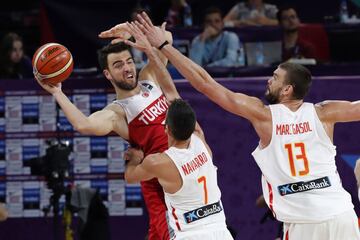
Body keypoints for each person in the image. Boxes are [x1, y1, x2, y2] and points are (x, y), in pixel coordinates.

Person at [134, 12, 360, 240]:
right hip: (341, 216)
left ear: (287, 90)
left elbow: (205, 84)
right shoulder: (325, 113)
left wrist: (164, 46)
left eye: (275, 77)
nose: (269, 80)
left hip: (304, 225)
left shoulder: (264, 115)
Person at [35, 21, 175, 240]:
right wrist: (57, 93)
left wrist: (132, 33)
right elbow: (84, 124)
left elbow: (166, 37)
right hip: (160, 187)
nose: (127, 68)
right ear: (108, 74)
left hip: (185, 170)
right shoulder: (117, 112)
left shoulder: (150, 78)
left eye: (129, 61)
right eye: (118, 65)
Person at [124, 98, 233, 240]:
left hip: (190, 235)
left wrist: (134, 159)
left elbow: (130, 177)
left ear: (166, 129)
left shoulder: (159, 162)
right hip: (221, 232)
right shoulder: (201, 141)